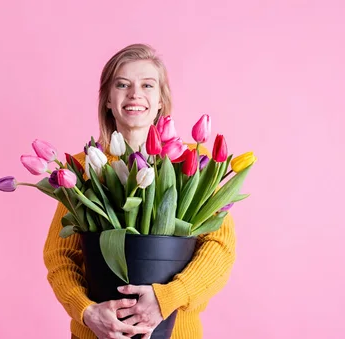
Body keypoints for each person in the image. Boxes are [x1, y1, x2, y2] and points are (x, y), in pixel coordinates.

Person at [43, 43, 236, 339]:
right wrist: (86, 311)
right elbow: (61, 257)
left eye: (148, 85)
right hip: (96, 333)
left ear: (161, 100)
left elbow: (219, 250)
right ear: (108, 99)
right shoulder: (79, 170)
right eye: (123, 84)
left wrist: (166, 299)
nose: (135, 94)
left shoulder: (192, 166)